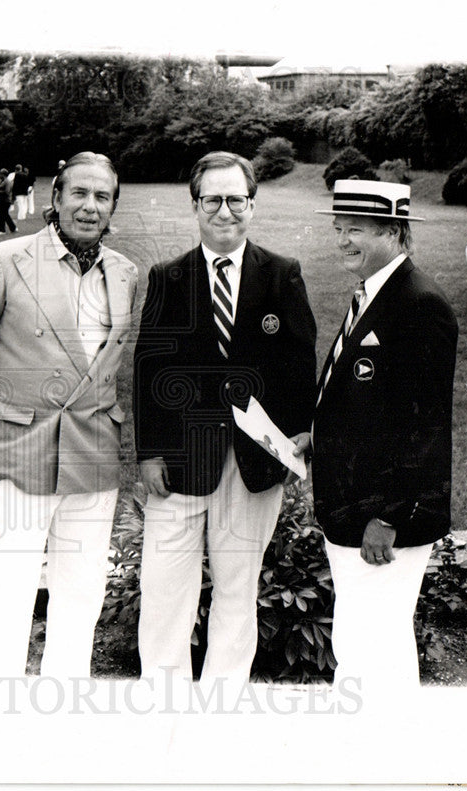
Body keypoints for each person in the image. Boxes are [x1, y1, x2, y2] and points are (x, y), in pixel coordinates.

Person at [0, 152, 137, 679]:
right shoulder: (3, 261)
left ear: (113, 207)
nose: (89, 206)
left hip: (93, 452)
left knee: (82, 590)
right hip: (20, 451)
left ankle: (65, 702)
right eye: (79, 193)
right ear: (55, 198)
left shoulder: (125, 273)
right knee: (11, 588)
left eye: (102, 196)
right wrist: (7, 410)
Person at [133, 151, 317, 688]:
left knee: (237, 590)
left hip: (255, 464)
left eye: (236, 199)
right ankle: (162, 704)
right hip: (180, 462)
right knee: (167, 589)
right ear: (195, 206)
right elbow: (148, 370)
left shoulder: (282, 275)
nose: (224, 211)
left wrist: (293, 440)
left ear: (252, 206)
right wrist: (148, 452)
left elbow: (299, 364)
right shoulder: (168, 278)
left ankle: (222, 704)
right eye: (212, 200)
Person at [312, 180, 458, 693]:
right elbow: (363, 401)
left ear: (395, 234)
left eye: (356, 230)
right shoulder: (375, 294)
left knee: (374, 642)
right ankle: (376, 752)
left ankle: (378, 754)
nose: (343, 241)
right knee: (362, 639)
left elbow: (425, 426)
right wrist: (314, 435)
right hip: (353, 507)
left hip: (382, 519)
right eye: (339, 229)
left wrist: (389, 516)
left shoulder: (419, 304)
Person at [0, 168, 16, 235]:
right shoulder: (2, 181)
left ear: (3, 174)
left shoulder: (7, 181)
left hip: (5, 201)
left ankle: (2, 230)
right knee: (5, 215)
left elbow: (7, 192)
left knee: (2, 215)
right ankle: (13, 228)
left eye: (0, 174)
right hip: (2, 201)